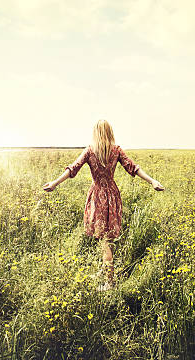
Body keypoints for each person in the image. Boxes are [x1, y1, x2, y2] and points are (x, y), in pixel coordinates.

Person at [42, 120, 165, 291]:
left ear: (96, 133)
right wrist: (152, 181)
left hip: (98, 196)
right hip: (112, 195)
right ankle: (105, 271)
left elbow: (73, 168)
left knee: (104, 240)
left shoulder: (90, 150)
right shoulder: (116, 150)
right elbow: (134, 168)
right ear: (109, 132)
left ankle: (109, 282)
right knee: (106, 238)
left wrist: (55, 183)